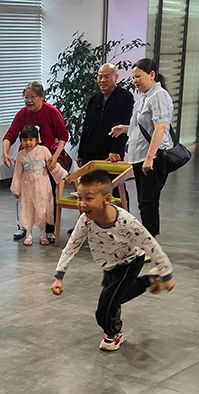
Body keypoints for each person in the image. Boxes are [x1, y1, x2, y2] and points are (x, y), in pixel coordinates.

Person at [50, 170, 175, 351]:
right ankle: (151, 280)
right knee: (117, 297)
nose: (82, 204)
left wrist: (167, 273)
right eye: (79, 198)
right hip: (109, 265)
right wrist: (59, 276)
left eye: (89, 198)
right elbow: (72, 246)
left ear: (107, 199)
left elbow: (151, 246)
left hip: (130, 261)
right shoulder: (85, 220)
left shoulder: (127, 222)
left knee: (105, 307)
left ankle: (113, 334)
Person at [110, 58, 174, 237]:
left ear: (152, 75)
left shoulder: (158, 95)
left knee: (148, 203)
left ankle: (149, 242)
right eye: (133, 77)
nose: (135, 81)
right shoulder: (144, 97)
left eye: (138, 76)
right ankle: (148, 240)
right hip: (140, 157)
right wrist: (124, 129)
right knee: (145, 202)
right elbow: (142, 128)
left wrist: (149, 158)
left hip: (151, 159)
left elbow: (160, 128)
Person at [3, 81, 69, 243]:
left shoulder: (51, 112)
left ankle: (49, 229)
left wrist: (55, 156)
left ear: (42, 96)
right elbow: (10, 134)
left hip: (46, 159)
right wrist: (5, 152)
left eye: (32, 97)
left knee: (48, 195)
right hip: (27, 160)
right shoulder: (22, 114)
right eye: (26, 97)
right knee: (24, 196)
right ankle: (23, 226)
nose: (29, 100)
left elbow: (63, 136)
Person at [11, 125, 68, 245]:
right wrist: (16, 189)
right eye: (24, 140)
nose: (28, 143)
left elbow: (52, 165)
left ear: (37, 139)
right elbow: (17, 173)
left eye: (31, 139)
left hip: (43, 185)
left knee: (42, 209)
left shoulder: (44, 151)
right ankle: (29, 234)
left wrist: (63, 176)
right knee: (28, 208)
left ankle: (43, 235)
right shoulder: (21, 155)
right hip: (27, 187)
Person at [78, 63, 134, 166]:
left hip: (111, 155)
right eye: (100, 77)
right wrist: (81, 153)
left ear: (116, 77)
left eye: (106, 76)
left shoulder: (125, 97)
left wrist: (116, 150)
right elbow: (86, 127)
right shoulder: (94, 99)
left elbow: (125, 125)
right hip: (90, 154)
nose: (102, 80)